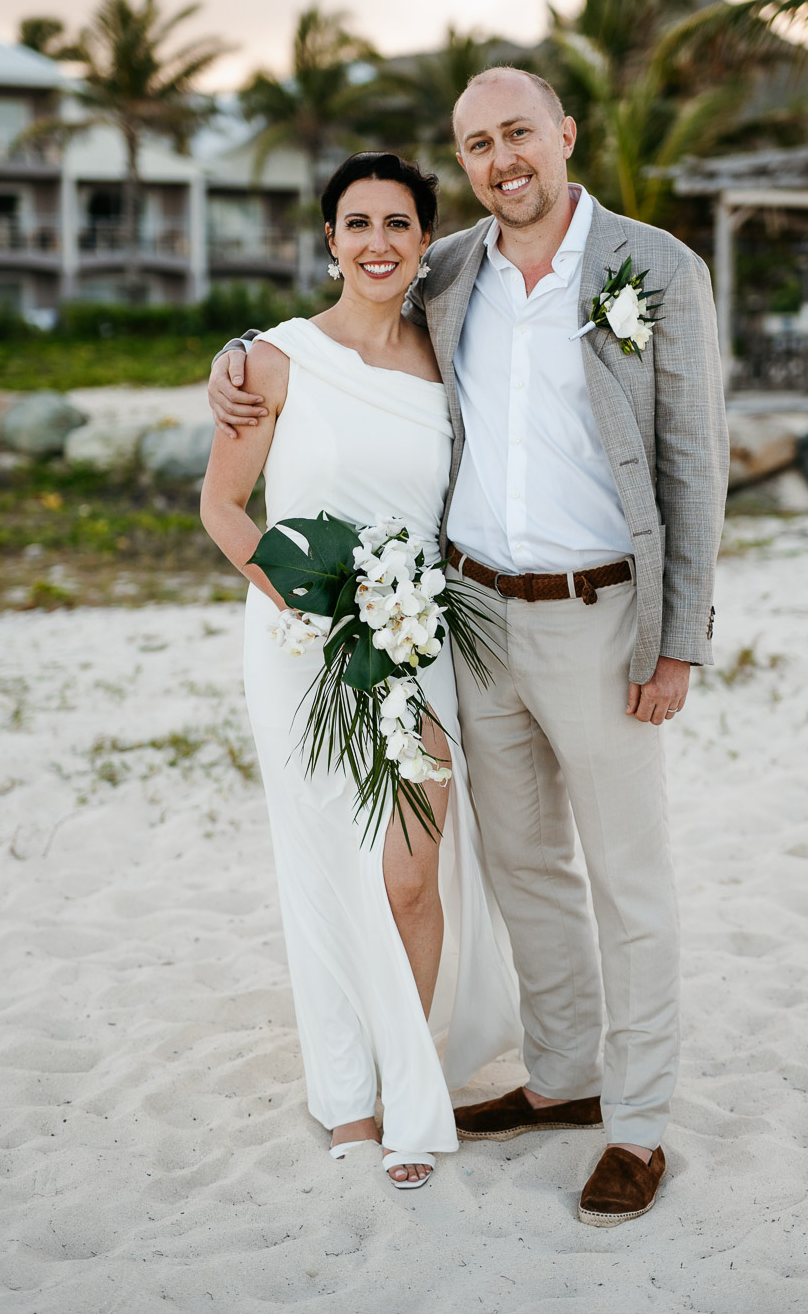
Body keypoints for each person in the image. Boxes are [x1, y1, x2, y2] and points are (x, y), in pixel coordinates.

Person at [209, 68, 729, 1225]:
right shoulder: (454, 272)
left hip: (603, 621)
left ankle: (635, 1127)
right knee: (521, 867)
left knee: (628, 880)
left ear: (564, 136)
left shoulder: (653, 268)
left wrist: (676, 643)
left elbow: (695, 466)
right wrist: (235, 354)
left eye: (519, 135)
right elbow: (345, 308)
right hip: (471, 625)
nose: (504, 158)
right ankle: (560, 1079)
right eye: (479, 142)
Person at [200, 151, 520, 1191]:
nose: (377, 241)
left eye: (397, 223)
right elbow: (224, 509)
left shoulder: (449, 359)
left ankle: (411, 1070)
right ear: (330, 240)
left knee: (411, 869)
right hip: (302, 640)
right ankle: (352, 1096)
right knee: (330, 869)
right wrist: (303, 600)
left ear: (425, 242)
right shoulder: (274, 362)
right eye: (356, 223)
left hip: (418, 635)